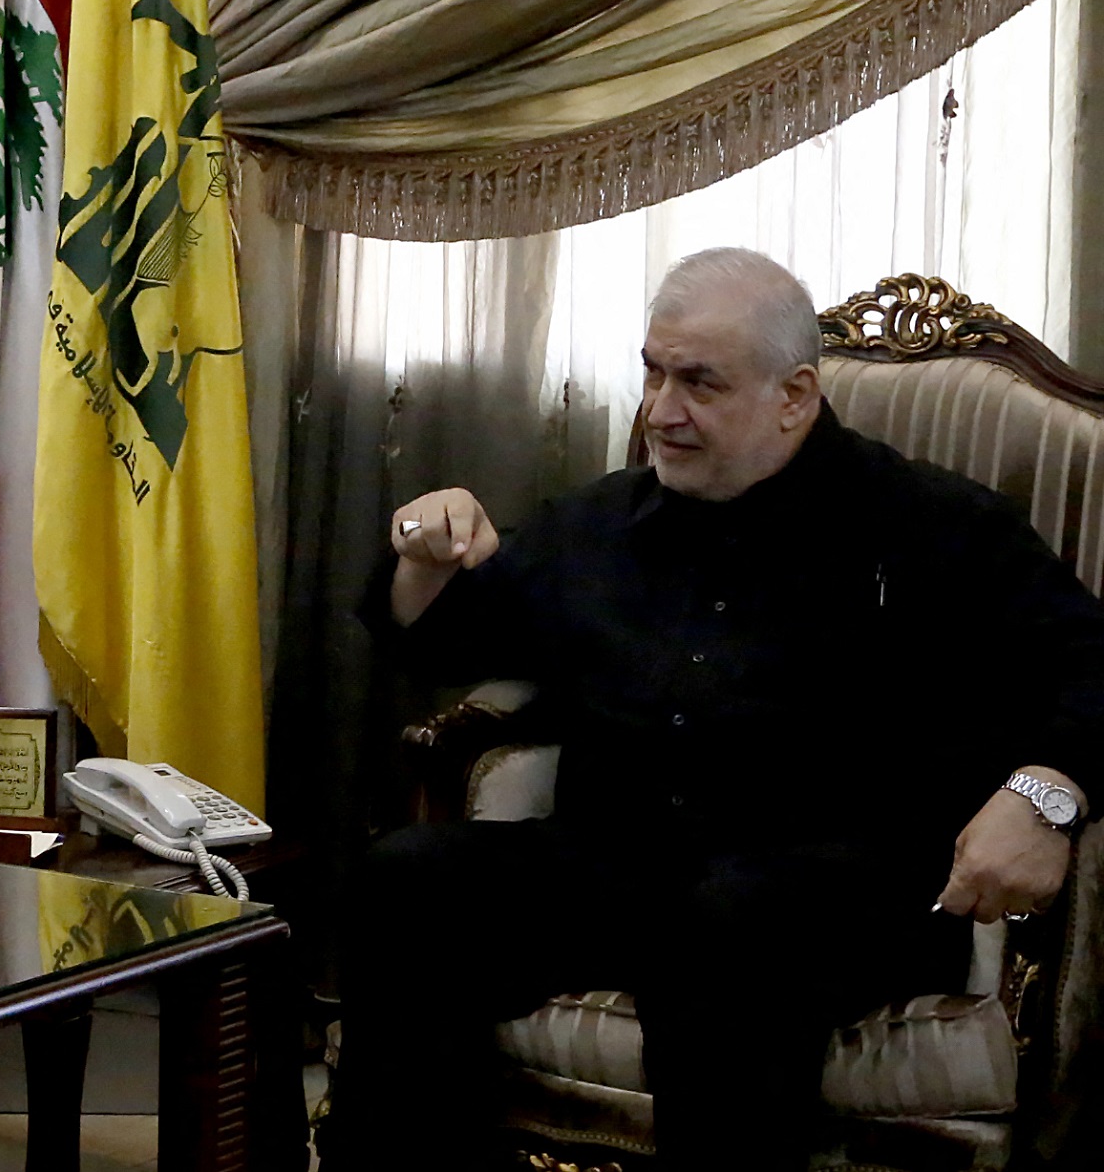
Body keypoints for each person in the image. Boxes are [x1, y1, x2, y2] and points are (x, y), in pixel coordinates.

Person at [321, 248, 1104, 1171]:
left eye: (698, 382)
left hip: (830, 890)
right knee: (406, 877)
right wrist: (428, 547)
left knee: (731, 926)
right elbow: (446, 641)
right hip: (619, 867)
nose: (659, 410)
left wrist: (1046, 791)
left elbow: (1090, 663)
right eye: (653, 370)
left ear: (794, 395)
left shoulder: (930, 524)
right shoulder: (604, 521)